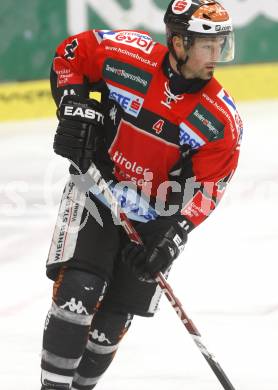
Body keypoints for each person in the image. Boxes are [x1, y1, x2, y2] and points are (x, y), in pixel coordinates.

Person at [41, 1, 243, 389]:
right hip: (98, 189)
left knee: (112, 321)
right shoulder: (127, 55)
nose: (216, 56)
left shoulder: (219, 119)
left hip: (155, 217)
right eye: (207, 46)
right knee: (77, 294)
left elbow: (210, 187)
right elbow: (71, 55)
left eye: (221, 45)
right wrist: (73, 107)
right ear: (179, 42)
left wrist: (173, 235)